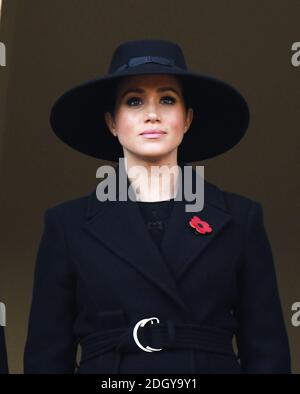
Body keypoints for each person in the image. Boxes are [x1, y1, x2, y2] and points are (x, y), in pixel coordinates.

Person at [23, 39, 291, 374]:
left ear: (187, 118)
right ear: (112, 122)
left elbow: (267, 352)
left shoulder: (241, 219)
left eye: (167, 99)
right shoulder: (66, 225)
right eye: (134, 100)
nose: (152, 114)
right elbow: (46, 357)